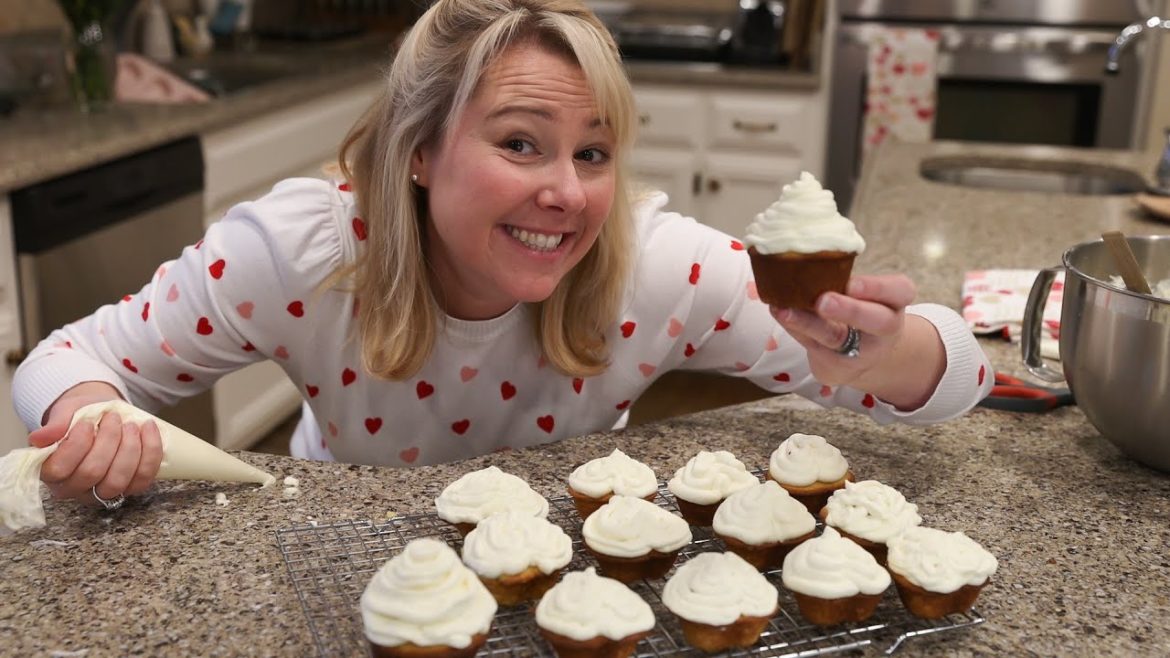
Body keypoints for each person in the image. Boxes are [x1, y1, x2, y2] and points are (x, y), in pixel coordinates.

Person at [12, 0, 992, 508]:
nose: (566, 192)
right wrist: (93, 415)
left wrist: (884, 349)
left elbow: (967, 370)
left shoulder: (655, 264)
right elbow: (64, 358)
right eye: (520, 143)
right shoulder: (298, 252)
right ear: (423, 152)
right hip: (344, 529)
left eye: (593, 152)